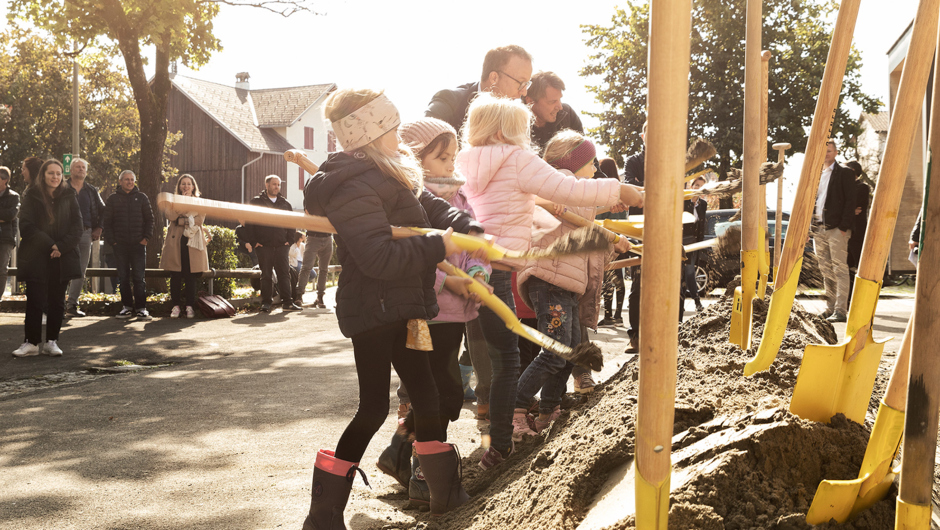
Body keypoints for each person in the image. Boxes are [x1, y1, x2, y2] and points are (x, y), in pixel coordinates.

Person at [300, 88, 481, 526]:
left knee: (428, 395)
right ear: (371, 133)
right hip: (374, 310)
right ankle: (323, 514)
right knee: (373, 408)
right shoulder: (351, 186)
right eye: (393, 128)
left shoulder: (387, 172)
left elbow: (425, 206)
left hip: (402, 305)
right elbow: (378, 257)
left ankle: (445, 496)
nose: (400, 136)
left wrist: (460, 223)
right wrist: (437, 244)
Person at [457, 93, 642, 469]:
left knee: (506, 356)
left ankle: (521, 426)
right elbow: (568, 192)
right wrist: (619, 191)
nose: (528, 135)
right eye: (522, 128)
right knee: (514, 358)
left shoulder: (467, 161)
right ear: (506, 130)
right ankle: (510, 429)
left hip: (470, 266)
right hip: (506, 269)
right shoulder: (515, 159)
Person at [377, 116, 492, 507]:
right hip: (427, 314)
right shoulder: (413, 201)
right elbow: (414, 259)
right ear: (415, 158)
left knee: (442, 392)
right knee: (442, 392)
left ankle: (401, 453)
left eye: (452, 156)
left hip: (456, 315)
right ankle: (423, 473)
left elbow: (475, 247)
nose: (449, 165)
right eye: (442, 157)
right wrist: (448, 282)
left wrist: (477, 273)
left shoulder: (459, 199)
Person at [511, 130, 631, 441]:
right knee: (555, 351)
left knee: (573, 352)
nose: (595, 170)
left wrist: (610, 224)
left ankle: (549, 408)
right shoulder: (560, 183)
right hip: (551, 283)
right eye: (591, 163)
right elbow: (580, 218)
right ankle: (515, 410)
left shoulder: (573, 192)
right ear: (573, 163)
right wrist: (611, 232)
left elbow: (583, 232)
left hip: (564, 284)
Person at [13, 159, 82, 357]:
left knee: (57, 300)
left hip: (62, 256)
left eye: (58, 173)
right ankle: (31, 342)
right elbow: (26, 225)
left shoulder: (70, 195)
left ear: (62, 176)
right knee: (34, 299)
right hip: (36, 255)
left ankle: (52, 341)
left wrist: (60, 246)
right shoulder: (31, 195)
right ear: (43, 175)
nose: (55, 177)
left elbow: (78, 226)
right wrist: (50, 244)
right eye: (51, 173)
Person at [425, 44, 533, 133]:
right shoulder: (450, 101)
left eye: (526, 84)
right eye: (521, 83)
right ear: (494, 77)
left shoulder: (518, 117)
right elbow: (424, 140)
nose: (524, 92)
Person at [812, 140, 856, 323]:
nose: (826, 154)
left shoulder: (844, 173)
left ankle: (840, 310)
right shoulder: (815, 175)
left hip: (837, 229)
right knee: (825, 270)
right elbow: (811, 203)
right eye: (823, 151)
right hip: (819, 229)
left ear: (836, 152)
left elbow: (850, 201)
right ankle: (829, 308)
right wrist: (810, 228)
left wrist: (844, 227)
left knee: (840, 269)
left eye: (829, 151)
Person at [103, 170, 155, 321]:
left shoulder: (142, 197)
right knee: (123, 277)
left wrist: (145, 238)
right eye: (126, 180)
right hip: (120, 246)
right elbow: (107, 222)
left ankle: (141, 308)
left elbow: (150, 219)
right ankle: (126, 307)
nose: (130, 182)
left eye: (132, 180)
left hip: (138, 245)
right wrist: (113, 241)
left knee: (139, 277)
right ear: (120, 181)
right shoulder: (112, 199)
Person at [245, 175, 300, 313]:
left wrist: (290, 240)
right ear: (267, 185)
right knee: (266, 275)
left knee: (284, 274)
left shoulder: (285, 203)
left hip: (282, 245)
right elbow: (249, 223)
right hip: (264, 246)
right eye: (274, 184)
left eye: (279, 185)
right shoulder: (256, 202)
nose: (277, 187)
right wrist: (254, 242)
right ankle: (266, 303)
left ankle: (287, 302)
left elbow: (292, 223)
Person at [159, 174, 210, 319]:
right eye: (183, 184)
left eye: (189, 184)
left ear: (193, 186)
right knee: (175, 274)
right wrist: (182, 204)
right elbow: (171, 216)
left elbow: (199, 220)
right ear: (179, 186)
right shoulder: (172, 201)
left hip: (192, 241)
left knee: (190, 275)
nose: (186, 186)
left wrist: (182, 220)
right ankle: (175, 306)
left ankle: (189, 306)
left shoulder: (200, 202)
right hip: (176, 241)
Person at [64, 158, 106, 317]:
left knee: (80, 271)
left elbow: (104, 211)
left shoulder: (92, 191)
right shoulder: (62, 188)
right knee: (62, 270)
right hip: (65, 234)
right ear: (71, 170)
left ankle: (72, 306)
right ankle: (58, 307)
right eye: (77, 167)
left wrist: (99, 228)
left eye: (83, 167)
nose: (80, 169)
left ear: (86, 171)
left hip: (86, 233)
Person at [622, 122, 647, 353]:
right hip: (637, 230)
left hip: (664, 227)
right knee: (638, 284)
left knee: (669, 284)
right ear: (643, 135)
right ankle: (636, 336)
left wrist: (643, 187)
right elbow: (629, 186)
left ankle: (669, 331)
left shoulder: (669, 161)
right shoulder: (634, 161)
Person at [597, 157, 626, 327]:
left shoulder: (604, 193)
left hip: (609, 241)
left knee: (608, 276)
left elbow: (599, 218)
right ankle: (618, 315)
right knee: (619, 278)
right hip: (623, 237)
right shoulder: (620, 191)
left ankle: (608, 316)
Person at [524, 71, 585, 151]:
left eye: (559, 99)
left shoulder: (567, 114)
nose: (560, 107)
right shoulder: (515, 126)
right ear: (530, 102)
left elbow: (586, 154)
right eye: (552, 102)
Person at [844, 160, 871, 303]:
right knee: (845, 266)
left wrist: (846, 210)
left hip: (857, 232)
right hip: (844, 230)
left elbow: (858, 207)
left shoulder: (862, 187)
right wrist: (848, 211)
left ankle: (861, 298)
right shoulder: (843, 187)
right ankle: (848, 299)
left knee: (859, 265)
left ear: (853, 172)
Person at [681, 176, 708, 315]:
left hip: (694, 243)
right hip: (681, 241)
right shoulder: (684, 201)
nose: (699, 188)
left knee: (690, 272)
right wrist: (691, 203)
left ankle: (685, 302)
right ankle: (695, 301)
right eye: (696, 185)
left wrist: (700, 243)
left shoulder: (703, 204)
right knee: (686, 272)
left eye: (701, 186)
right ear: (691, 186)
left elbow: (702, 225)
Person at [296, 225, 332, 309]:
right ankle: (299, 295)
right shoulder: (311, 210)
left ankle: (320, 297)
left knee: (324, 269)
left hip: (328, 238)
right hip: (313, 237)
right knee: (306, 267)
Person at [0, 166, 20, 298]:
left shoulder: (13, 196)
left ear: (5, 180)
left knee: (1, 270)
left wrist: (5, 217)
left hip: (5, 238)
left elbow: (11, 215)